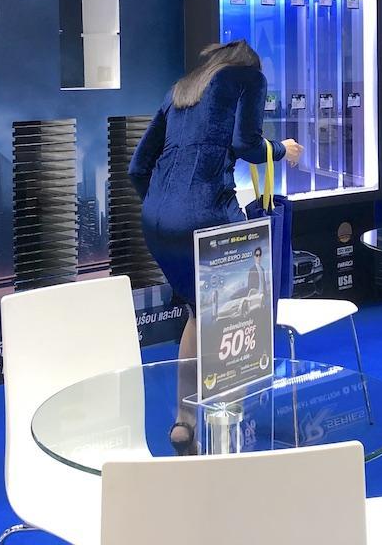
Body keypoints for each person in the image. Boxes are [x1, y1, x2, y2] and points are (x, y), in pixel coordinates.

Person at [129, 39, 303, 452]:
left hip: (156, 223)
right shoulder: (248, 78)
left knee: (197, 311)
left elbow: (138, 166)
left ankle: (184, 420)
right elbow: (247, 144)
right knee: (237, 318)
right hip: (207, 215)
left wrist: (166, 207)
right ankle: (228, 423)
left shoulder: (179, 90)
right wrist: (283, 149)